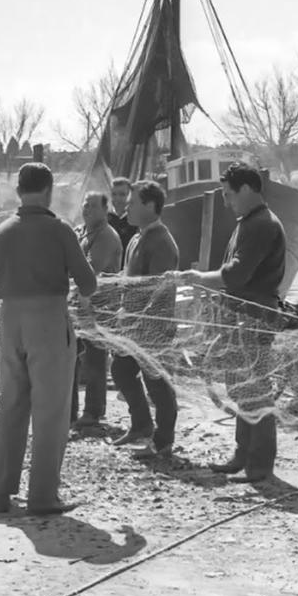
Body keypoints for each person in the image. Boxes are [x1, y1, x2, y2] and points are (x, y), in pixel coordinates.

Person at [0, 162, 97, 515]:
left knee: (11, 407)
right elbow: (88, 283)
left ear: (19, 191)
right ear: (49, 190)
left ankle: (1, 493)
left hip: (10, 319)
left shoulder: (1, 232)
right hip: (49, 319)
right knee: (51, 411)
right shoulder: (60, 230)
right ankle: (42, 497)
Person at [174, 163, 286, 483]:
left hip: (255, 317)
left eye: (229, 194)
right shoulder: (247, 222)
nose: (226, 201)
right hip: (239, 316)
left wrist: (199, 278)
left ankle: (260, 466)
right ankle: (242, 454)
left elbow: (236, 274)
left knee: (255, 390)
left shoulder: (262, 224)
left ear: (247, 190)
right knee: (239, 387)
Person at [110, 180, 179, 458]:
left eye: (133, 203)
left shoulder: (161, 241)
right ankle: (141, 425)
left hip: (153, 326)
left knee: (158, 384)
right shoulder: (138, 237)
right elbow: (131, 279)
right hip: (132, 324)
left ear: (150, 206)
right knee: (121, 371)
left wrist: (139, 318)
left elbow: (155, 288)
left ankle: (163, 442)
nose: (126, 207)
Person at [70, 191, 122, 427]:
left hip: (101, 307)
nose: (87, 208)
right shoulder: (83, 231)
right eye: (85, 204)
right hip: (79, 305)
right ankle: (69, 409)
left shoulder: (107, 236)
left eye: (92, 205)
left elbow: (91, 269)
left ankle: (93, 411)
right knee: (71, 357)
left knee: (95, 360)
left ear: (104, 209)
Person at [107, 177, 138, 249]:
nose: (117, 198)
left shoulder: (136, 222)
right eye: (114, 194)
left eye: (122, 194)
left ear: (130, 196)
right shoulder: (103, 219)